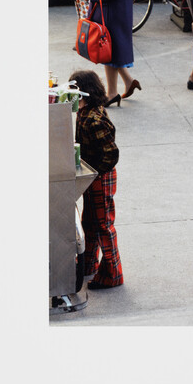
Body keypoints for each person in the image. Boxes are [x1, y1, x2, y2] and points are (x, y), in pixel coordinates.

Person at [69, 69, 123, 290]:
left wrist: (95, 174)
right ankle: (88, 264)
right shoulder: (86, 113)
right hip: (94, 175)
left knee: (102, 225)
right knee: (89, 222)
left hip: (100, 176)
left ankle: (112, 273)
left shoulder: (94, 119)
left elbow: (112, 153)